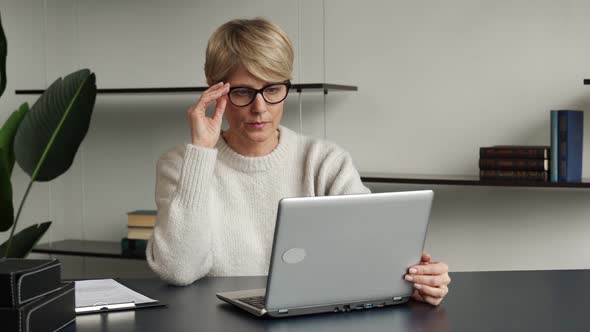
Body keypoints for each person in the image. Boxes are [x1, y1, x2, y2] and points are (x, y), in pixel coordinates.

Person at [146, 17, 450, 306]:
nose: (260, 108)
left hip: (310, 316)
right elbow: (178, 270)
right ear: (215, 90)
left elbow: (371, 257)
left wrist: (416, 281)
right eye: (242, 92)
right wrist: (201, 153)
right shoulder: (181, 164)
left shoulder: (325, 162)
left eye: (273, 89)